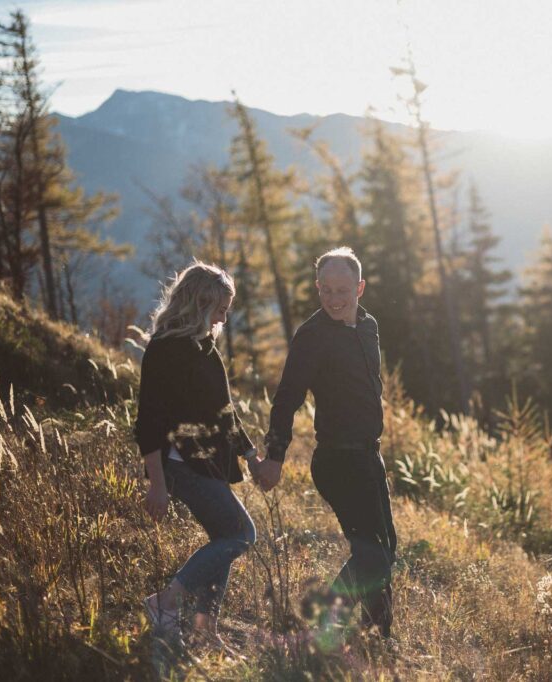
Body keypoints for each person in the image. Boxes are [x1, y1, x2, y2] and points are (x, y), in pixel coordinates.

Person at [250, 246, 398, 638]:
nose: (334, 299)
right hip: (337, 462)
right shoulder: (312, 336)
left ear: (360, 288)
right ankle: (320, 625)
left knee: (386, 551)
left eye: (343, 290)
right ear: (318, 288)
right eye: (326, 290)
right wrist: (275, 457)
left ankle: (378, 635)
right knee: (373, 556)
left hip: (369, 457)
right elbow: (287, 399)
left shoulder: (369, 326)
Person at [134, 261, 260, 653]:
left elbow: (224, 411)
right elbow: (148, 420)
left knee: (225, 536)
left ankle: (205, 630)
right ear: (198, 303)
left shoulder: (203, 346)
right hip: (181, 462)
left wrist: (251, 455)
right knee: (241, 534)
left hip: (209, 461)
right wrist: (157, 482)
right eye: (220, 308)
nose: (224, 317)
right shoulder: (166, 347)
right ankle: (165, 602)